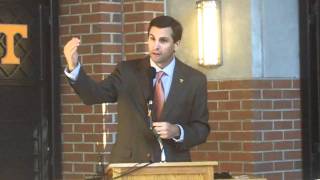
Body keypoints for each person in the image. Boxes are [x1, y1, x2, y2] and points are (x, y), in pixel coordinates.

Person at [63, 15, 209, 163]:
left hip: (174, 167)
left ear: (176, 45)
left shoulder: (194, 80)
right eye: (152, 38)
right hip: (130, 166)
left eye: (163, 40)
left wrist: (177, 131)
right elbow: (93, 95)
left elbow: (201, 129)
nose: (155, 46)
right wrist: (73, 67)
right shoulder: (127, 72)